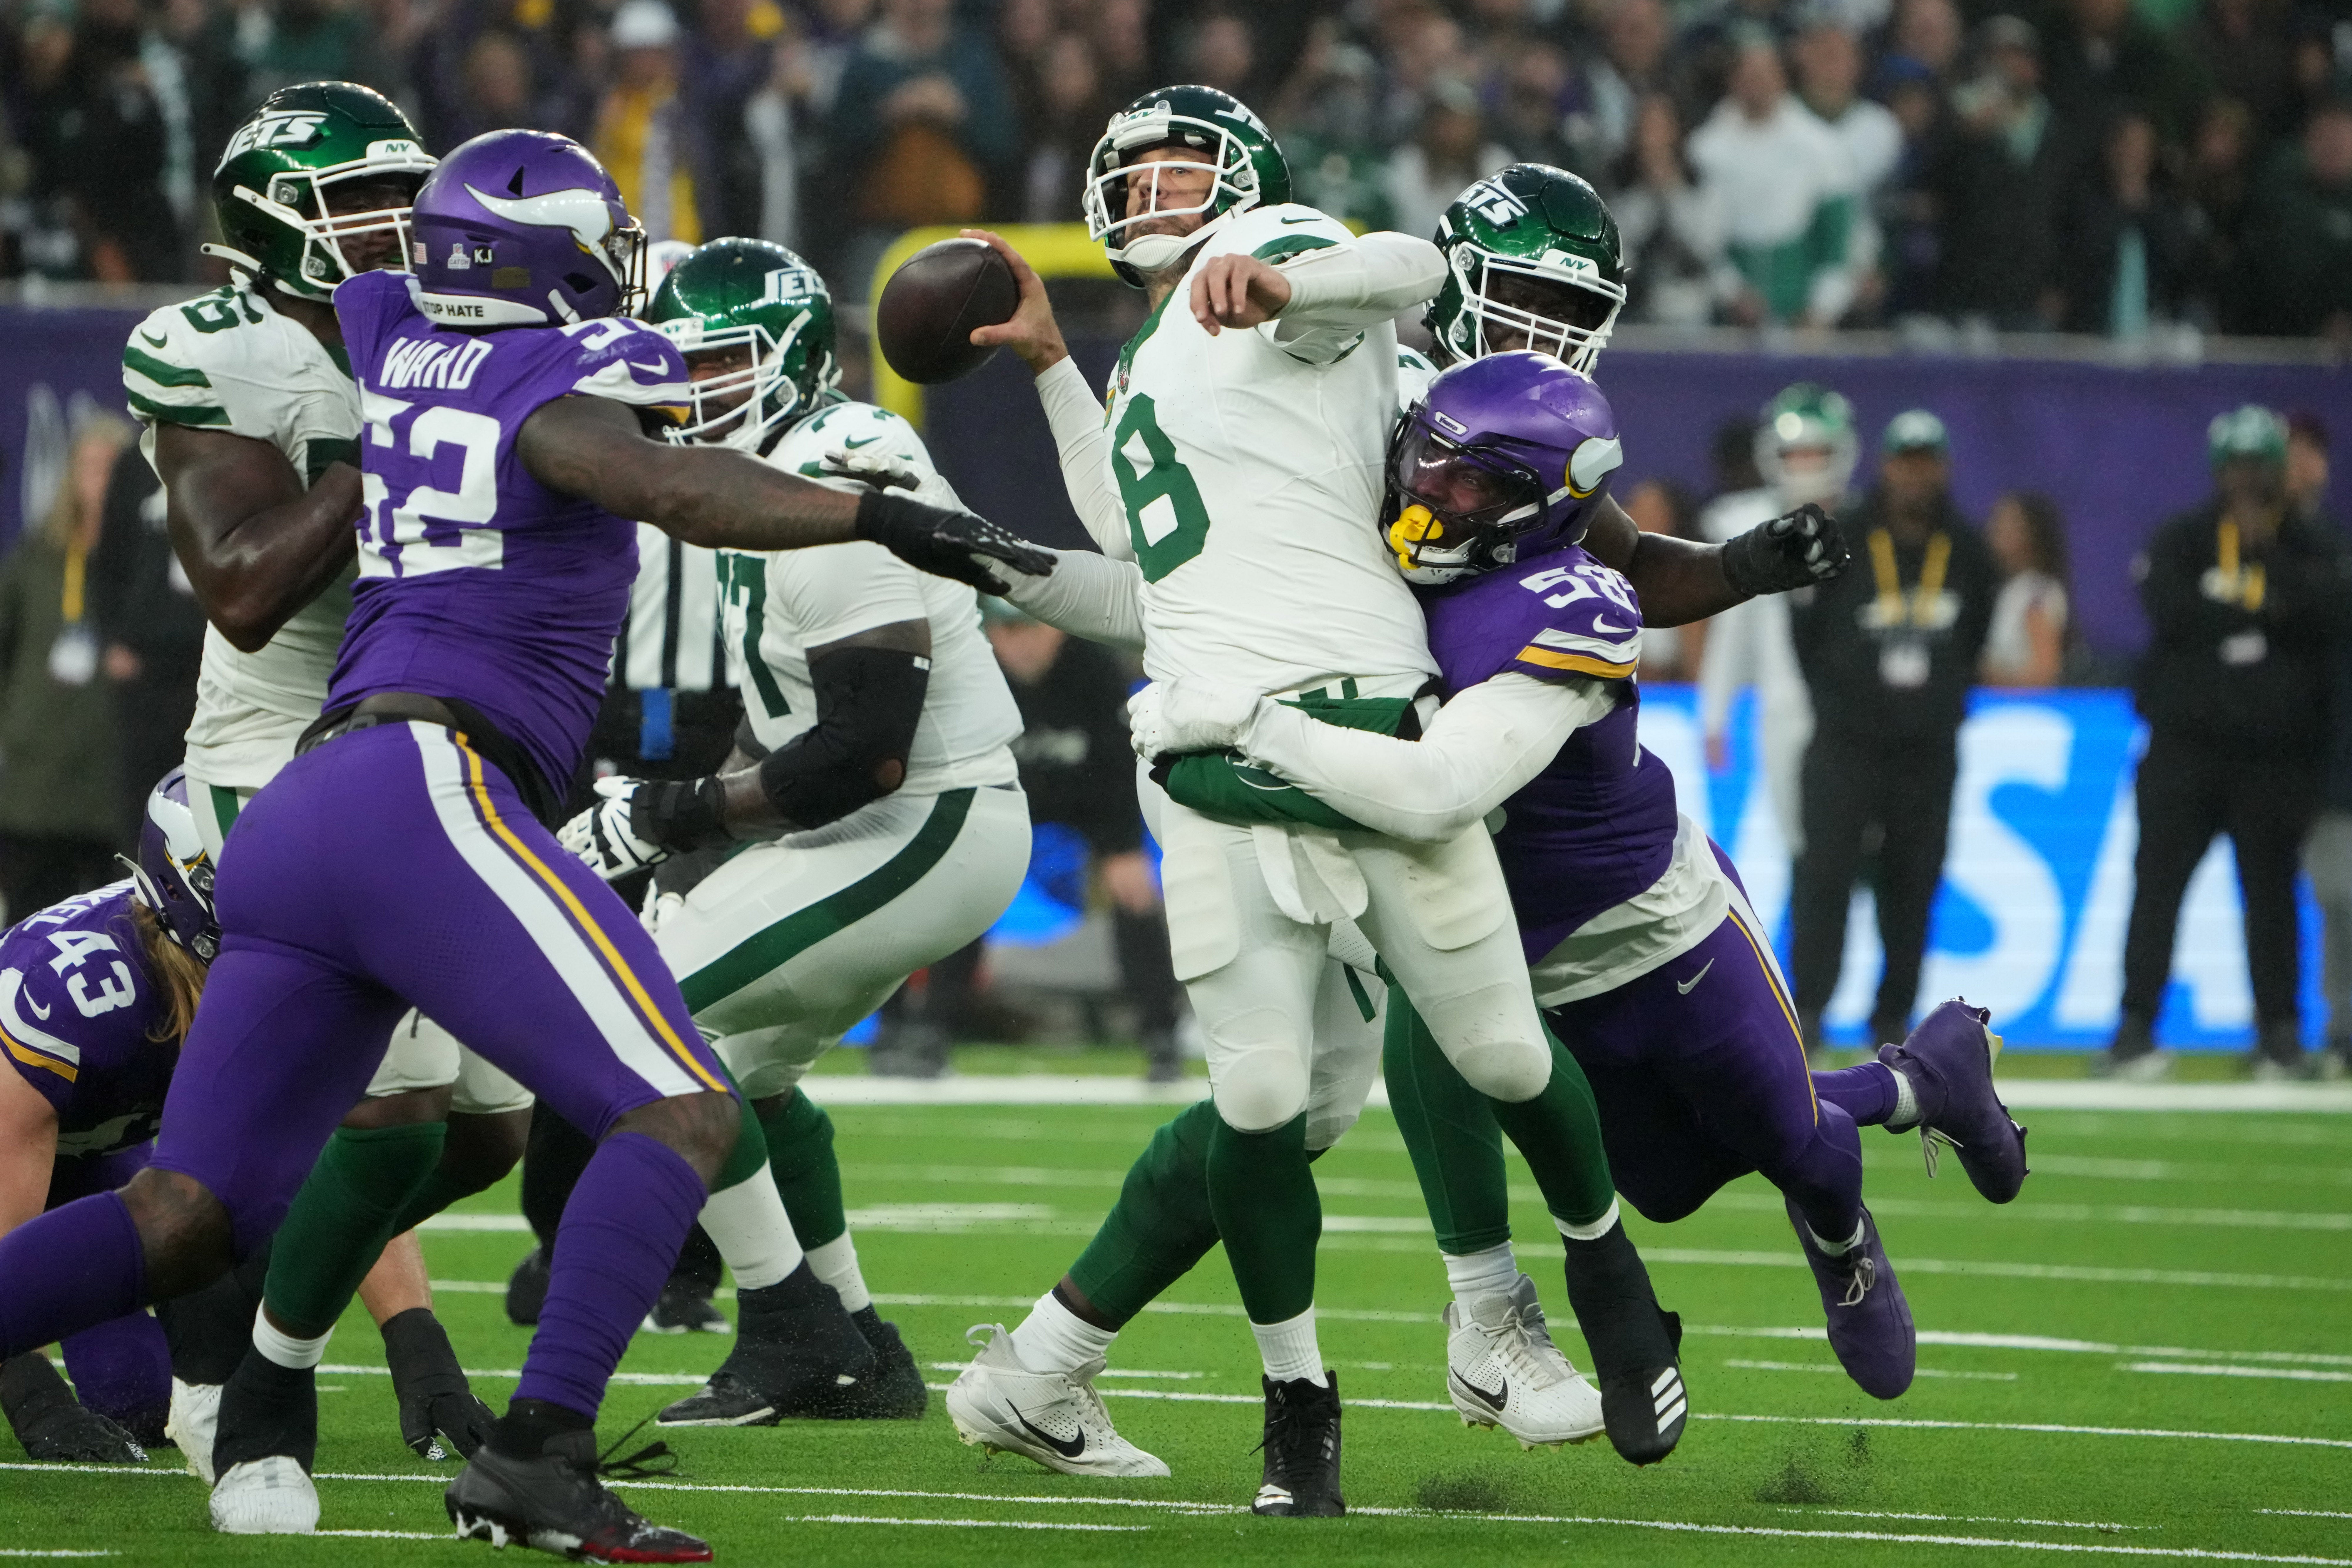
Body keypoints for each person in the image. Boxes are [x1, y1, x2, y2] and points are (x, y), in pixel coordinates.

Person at [2, 123, 1044, 1564]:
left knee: (190, 1208)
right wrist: (880, 516)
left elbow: (375, 304)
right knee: (680, 1103)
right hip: (431, 784)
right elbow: (671, 487)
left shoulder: (381, 324)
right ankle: (541, 1457)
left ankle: (351, 1405)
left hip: (312, 800)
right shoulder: (552, 373)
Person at [954, 154, 1849, 1489]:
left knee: (1293, 1104)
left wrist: (1734, 571)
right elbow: (1164, 548)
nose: (1547, 329)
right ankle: (1485, 1317)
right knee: (1379, 1051)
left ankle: (1041, 1365)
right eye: (1528, 294)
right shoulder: (1362, 368)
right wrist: (1002, 533)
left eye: (1572, 305)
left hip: (1394, 729)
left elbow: (1612, 556)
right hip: (1324, 729)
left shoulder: (1484, 401)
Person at [121, 84, 524, 1531]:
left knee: (487, 1125)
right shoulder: (210, 351)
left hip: (427, 743)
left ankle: (229, 1290)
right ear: (273, 225)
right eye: (362, 205)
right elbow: (241, 583)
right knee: (396, 1119)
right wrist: (400, 448)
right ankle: (247, 1397)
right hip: (283, 758)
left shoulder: (447, 335)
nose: (399, 233)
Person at [556, 235, 1029, 1428]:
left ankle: (784, 1328)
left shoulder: (838, 459)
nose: (694, 385)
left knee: (646, 1024)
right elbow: (789, 723)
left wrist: (673, 815)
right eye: (679, 361)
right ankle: (854, 1340)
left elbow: (867, 742)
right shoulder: (762, 471)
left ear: (793, 358)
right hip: (880, 813)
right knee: (748, 1076)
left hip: (926, 813)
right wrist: (685, 824)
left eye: (721, 359)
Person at [2105, 406, 2349, 1081]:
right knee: (2157, 891)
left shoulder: (2309, 541)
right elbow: (2169, 611)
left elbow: (2329, 610)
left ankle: (2278, 1036)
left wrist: (2265, 562)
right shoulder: (2185, 536)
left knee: (2271, 898)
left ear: (2277, 468)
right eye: (2235, 466)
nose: (2246, 479)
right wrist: (2266, 609)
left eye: (2258, 465)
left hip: (2272, 758)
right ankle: (2134, 1029)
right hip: (2185, 750)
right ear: (2218, 470)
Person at [1, 773, 214, 1466]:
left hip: (87, 1146)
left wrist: (416, 1344)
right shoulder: (76, 1000)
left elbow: (346, 1157)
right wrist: (31, 1390)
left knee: (137, 1402)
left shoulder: (272, 967)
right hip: (19, 1126)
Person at [895, 601, 1183, 1081]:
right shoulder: (975, 675)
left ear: (1056, 629)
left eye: (1031, 629)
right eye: (1007, 631)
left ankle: (1162, 1037)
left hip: (1089, 799)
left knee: (1133, 890)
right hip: (1002, 799)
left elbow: (1119, 766)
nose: (1021, 644)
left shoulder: (1094, 671)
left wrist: (1122, 848)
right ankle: (924, 1031)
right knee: (958, 891)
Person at [1788, 410, 1996, 1057]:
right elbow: (1806, 635)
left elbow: (1974, 637)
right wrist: (1845, 703)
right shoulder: (1843, 537)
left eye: (1926, 461)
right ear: (1885, 466)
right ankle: (1809, 1014)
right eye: (1904, 461)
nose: (1914, 474)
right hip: (1845, 744)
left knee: (1913, 885)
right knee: (1823, 879)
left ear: (1944, 468)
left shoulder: (1968, 550)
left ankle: (1891, 1021)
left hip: (1925, 752)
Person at [1699, 383, 1859, 856]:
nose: (1806, 466)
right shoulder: (1750, 531)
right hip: (1783, 708)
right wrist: (1714, 715)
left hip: (1857, 715)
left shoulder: (1870, 528)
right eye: (1795, 454)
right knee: (1799, 846)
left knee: (1859, 844)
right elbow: (1732, 630)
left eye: (1816, 453)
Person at [0, 415, 132, 920]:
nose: (99, 480)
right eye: (89, 466)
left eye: (112, 468)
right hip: (37, 788)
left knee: (116, 933)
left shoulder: (147, 562)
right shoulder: (37, 558)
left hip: (114, 789)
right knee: (29, 929)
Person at [1686, 27, 1858, 327]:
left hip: (1803, 307)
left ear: (1782, 77)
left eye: (1766, 73)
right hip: (1727, 313)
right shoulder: (1708, 148)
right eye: (1748, 74)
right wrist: (1732, 293)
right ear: (1733, 80)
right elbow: (1702, 240)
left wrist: (1822, 309)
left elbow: (1838, 238)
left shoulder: (1820, 146)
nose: (1758, 84)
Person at [1981, 491, 2071, 687]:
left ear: (2032, 534)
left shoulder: (2036, 593)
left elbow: (2044, 672)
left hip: (2020, 711)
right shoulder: (2007, 590)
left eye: (2007, 525)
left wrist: (1987, 677)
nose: (1994, 531)